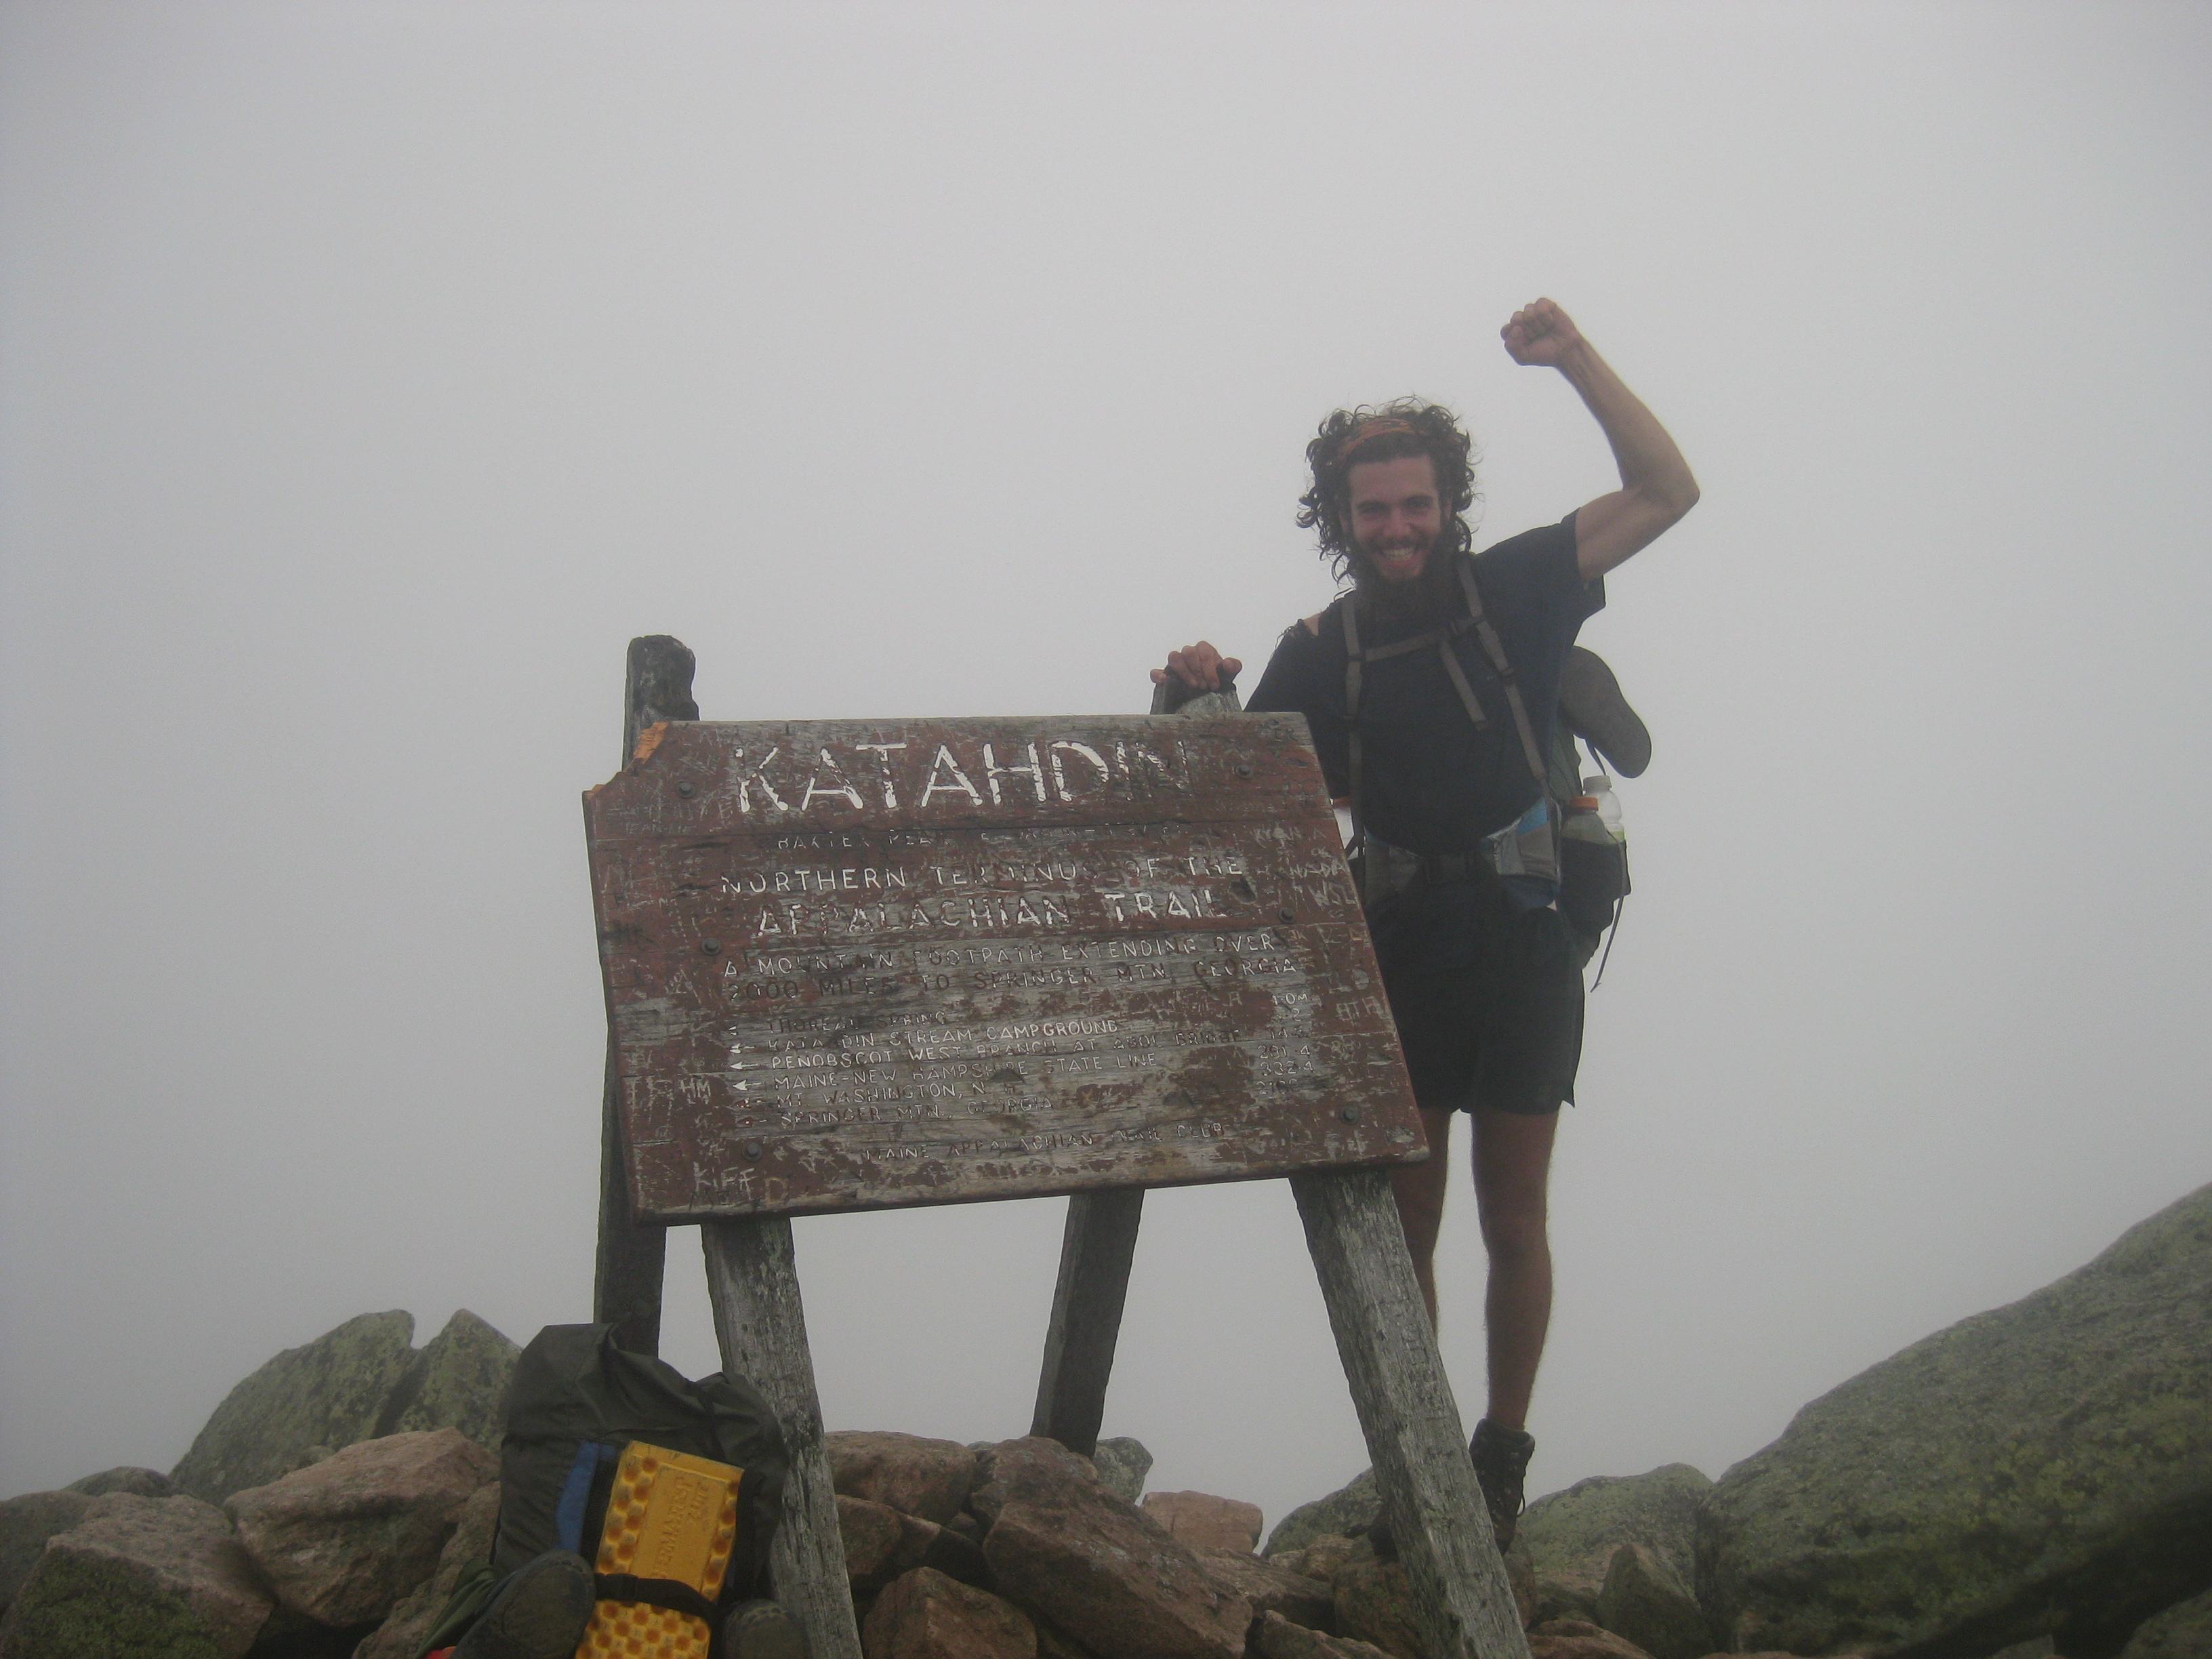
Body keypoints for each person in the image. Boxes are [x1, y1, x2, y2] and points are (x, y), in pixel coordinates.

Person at [1150, 298, 1696, 1544]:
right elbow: (1229, 780)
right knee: (1408, 1225)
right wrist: (1188, 690)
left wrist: (1573, 361)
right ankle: (1425, 1455)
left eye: (1415, 504)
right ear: (1341, 523)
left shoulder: (1519, 589)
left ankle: (1497, 1456)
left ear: (1448, 502)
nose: (1397, 529)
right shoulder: (1321, 649)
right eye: (1373, 510)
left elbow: (1666, 488)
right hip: (1394, 954)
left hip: (1522, 939)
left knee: (1514, 1219)